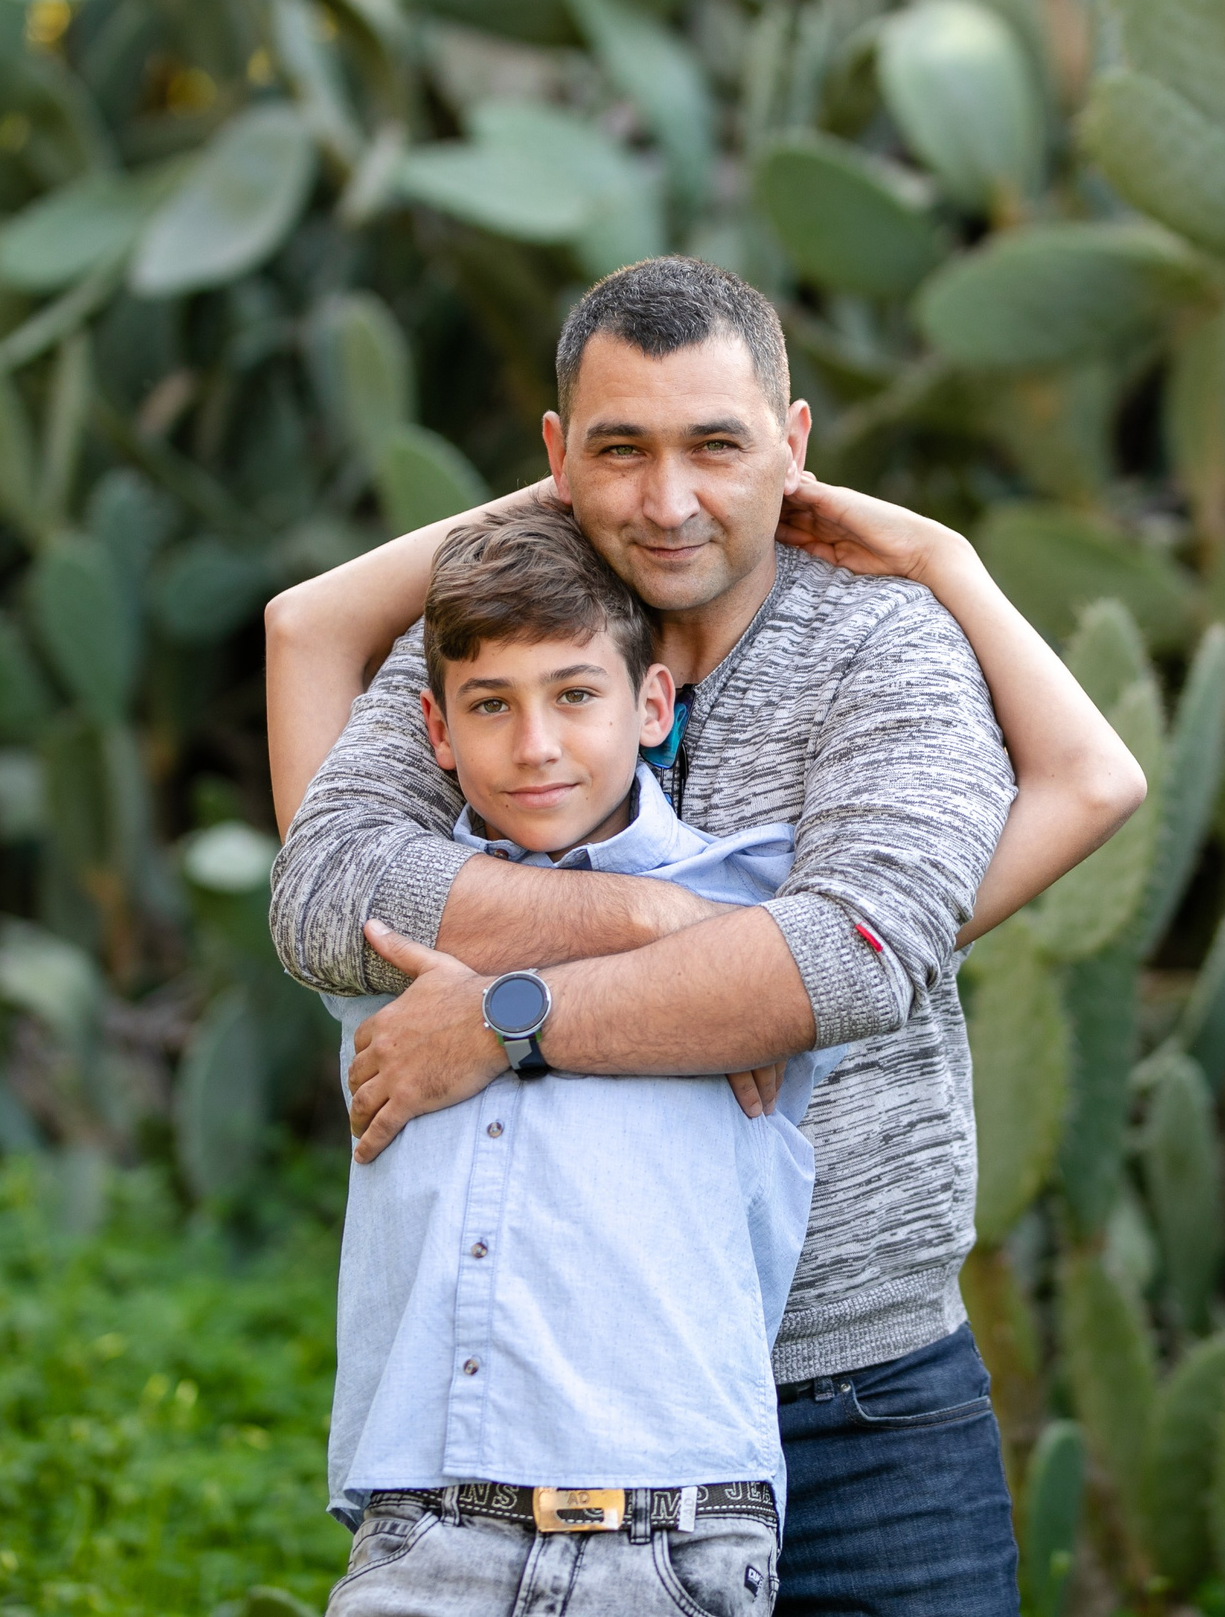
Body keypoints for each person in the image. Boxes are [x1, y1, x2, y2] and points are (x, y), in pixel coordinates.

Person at [268, 255, 1145, 1615]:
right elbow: (332, 896)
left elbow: (850, 953)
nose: (667, 502)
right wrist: (670, 926)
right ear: (557, 455)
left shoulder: (887, 649)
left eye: (716, 446)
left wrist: (505, 1020)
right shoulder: (498, 640)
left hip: (860, 1405)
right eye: (619, 449)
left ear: (793, 449)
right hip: (561, 1427)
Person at [317, 498, 823, 1614]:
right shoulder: (384, 912)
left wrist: (930, 551)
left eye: (576, 695)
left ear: (652, 705)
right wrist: (571, 495)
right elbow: (300, 627)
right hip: (424, 1532)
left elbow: (1091, 787)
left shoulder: (765, 908)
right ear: (436, 733)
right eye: (489, 705)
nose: (535, 744)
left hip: (677, 1534)